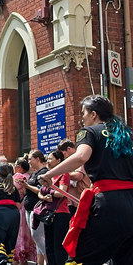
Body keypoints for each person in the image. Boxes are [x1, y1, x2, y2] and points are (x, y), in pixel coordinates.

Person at [39, 95, 133, 264]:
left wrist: (49, 174)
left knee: (78, 259)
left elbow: (81, 156)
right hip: (130, 203)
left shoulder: (89, 132)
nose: (82, 118)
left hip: (109, 204)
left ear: (93, 114)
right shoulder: (126, 135)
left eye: (83, 113)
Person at [36, 150, 70, 265]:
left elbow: (62, 192)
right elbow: (40, 192)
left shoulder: (64, 174)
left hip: (60, 213)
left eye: (51, 159)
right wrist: (45, 197)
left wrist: (50, 193)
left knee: (58, 246)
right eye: (48, 158)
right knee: (49, 245)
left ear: (59, 160)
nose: (48, 161)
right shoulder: (48, 175)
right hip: (48, 213)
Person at [17, 150, 48, 265]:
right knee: (36, 238)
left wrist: (27, 186)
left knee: (37, 235)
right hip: (29, 208)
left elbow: (42, 190)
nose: (29, 161)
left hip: (37, 208)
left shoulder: (44, 172)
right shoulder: (34, 173)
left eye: (30, 159)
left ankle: (48, 260)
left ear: (37, 159)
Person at [56, 139, 91, 215]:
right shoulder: (70, 162)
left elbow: (78, 176)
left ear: (69, 149)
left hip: (80, 199)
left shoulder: (80, 159)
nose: (64, 157)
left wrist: (62, 174)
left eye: (64, 154)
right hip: (71, 202)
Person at [12, 157, 35, 265]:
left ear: (19, 167)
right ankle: (27, 257)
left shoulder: (18, 177)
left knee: (19, 233)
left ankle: (19, 258)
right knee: (28, 233)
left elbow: (11, 189)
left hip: (19, 207)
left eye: (15, 166)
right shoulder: (30, 176)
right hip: (28, 206)